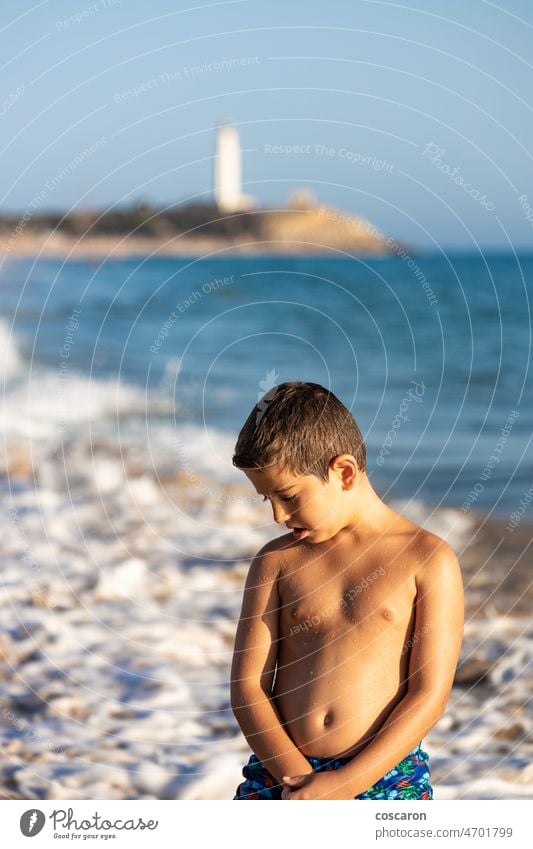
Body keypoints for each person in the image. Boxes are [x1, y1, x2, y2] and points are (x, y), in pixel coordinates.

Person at [230, 381, 464, 800]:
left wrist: (345, 785)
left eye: (287, 496)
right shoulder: (277, 563)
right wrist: (297, 779)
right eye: (266, 499)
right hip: (280, 775)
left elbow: (428, 694)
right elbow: (248, 688)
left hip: (385, 776)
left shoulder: (427, 560)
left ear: (344, 472)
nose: (278, 515)